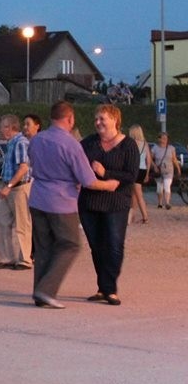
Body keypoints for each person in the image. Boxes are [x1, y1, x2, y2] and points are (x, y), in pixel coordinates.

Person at [27, 101, 120, 309]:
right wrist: (109, 185)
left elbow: (33, 163)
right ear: (70, 119)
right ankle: (46, 290)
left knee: (43, 248)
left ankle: (39, 292)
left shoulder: (36, 140)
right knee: (70, 244)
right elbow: (88, 180)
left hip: (37, 197)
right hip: (61, 202)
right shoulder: (70, 144)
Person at [78, 104, 139, 306]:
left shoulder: (128, 145)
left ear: (115, 120)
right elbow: (76, 164)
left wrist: (106, 173)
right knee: (97, 247)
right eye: (96, 119)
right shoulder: (89, 143)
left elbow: (132, 175)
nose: (98, 122)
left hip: (117, 203)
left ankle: (110, 289)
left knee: (114, 245)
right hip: (89, 201)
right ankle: (103, 288)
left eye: (102, 118)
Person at [0, 114, 39, 270]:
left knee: (22, 224)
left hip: (19, 187)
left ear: (11, 127)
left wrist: (9, 186)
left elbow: (23, 167)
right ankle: (6, 258)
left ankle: (25, 259)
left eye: (4, 126)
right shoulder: (11, 143)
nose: (1, 130)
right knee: (3, 223)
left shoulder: (20, 142)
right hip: (9, 187)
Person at [127, 124, 152, 224]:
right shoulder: (145, 144)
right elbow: (149, 160)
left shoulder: (131, 143)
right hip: (143, 170)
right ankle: (132, 216)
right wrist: (147, 173)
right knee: (134, 195)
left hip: (134, 170)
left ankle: (145, 217)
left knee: (138, 195)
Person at [151, 132, 182, 210]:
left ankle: (167, 203)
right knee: (159, 189)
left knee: (167, 186)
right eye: (163, 138)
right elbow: (150, 159)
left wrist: (178, 169)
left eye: (166, 138)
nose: (165, 140)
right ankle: (160, 203)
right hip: (159, 172)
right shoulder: (155, 148)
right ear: (159, 139)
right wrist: (154, 166)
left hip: (169, 171)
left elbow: (174, 159)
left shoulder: (171, 148)